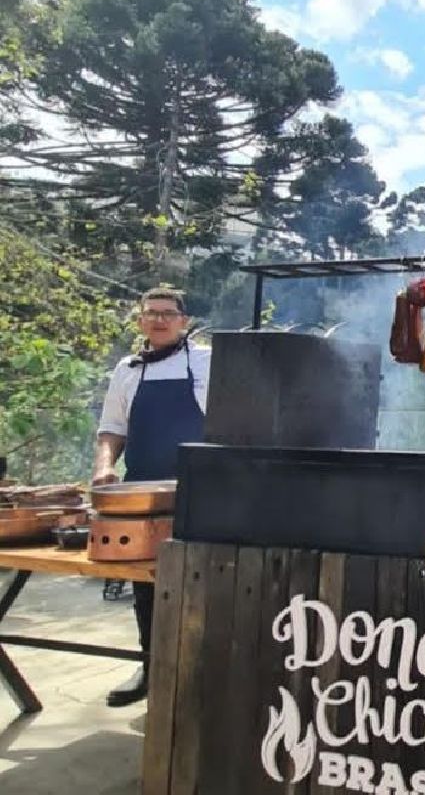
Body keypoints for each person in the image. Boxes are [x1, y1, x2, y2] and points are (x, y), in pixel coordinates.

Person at [93, 287, 210, 707]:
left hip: (199, 490)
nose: (159, 320)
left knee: (197, 578)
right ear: (140, 321)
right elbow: (112, 428)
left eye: (168, 313)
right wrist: (104, 467)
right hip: (141, 490)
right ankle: (150, 663)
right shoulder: (127, 369)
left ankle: (198, 670)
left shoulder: (206, 362)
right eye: (151, 313)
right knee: (145, 583)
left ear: (184, 320)